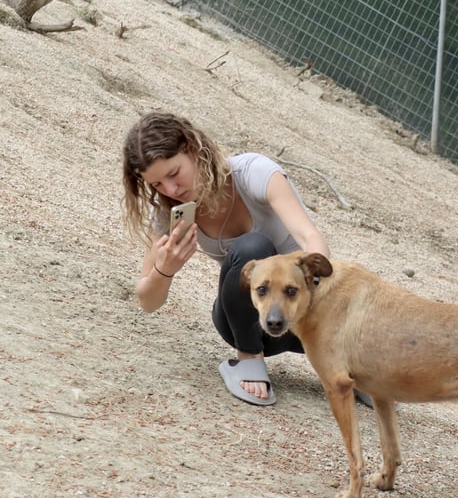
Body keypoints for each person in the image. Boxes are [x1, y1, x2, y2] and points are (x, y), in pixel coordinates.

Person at [121, 111, 373, 407]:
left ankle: (352, 364)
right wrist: (165, 270)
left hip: (301, 309)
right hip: (244, 323)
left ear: (193, 149)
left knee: (368, 335)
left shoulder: (254, 173)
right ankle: (249, 359)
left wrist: (314, 296)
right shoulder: (169, 212)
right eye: (157, 185)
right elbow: (148, 301)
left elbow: (310, 240)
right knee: (252, 247)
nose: (171, 191)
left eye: (174, 174)